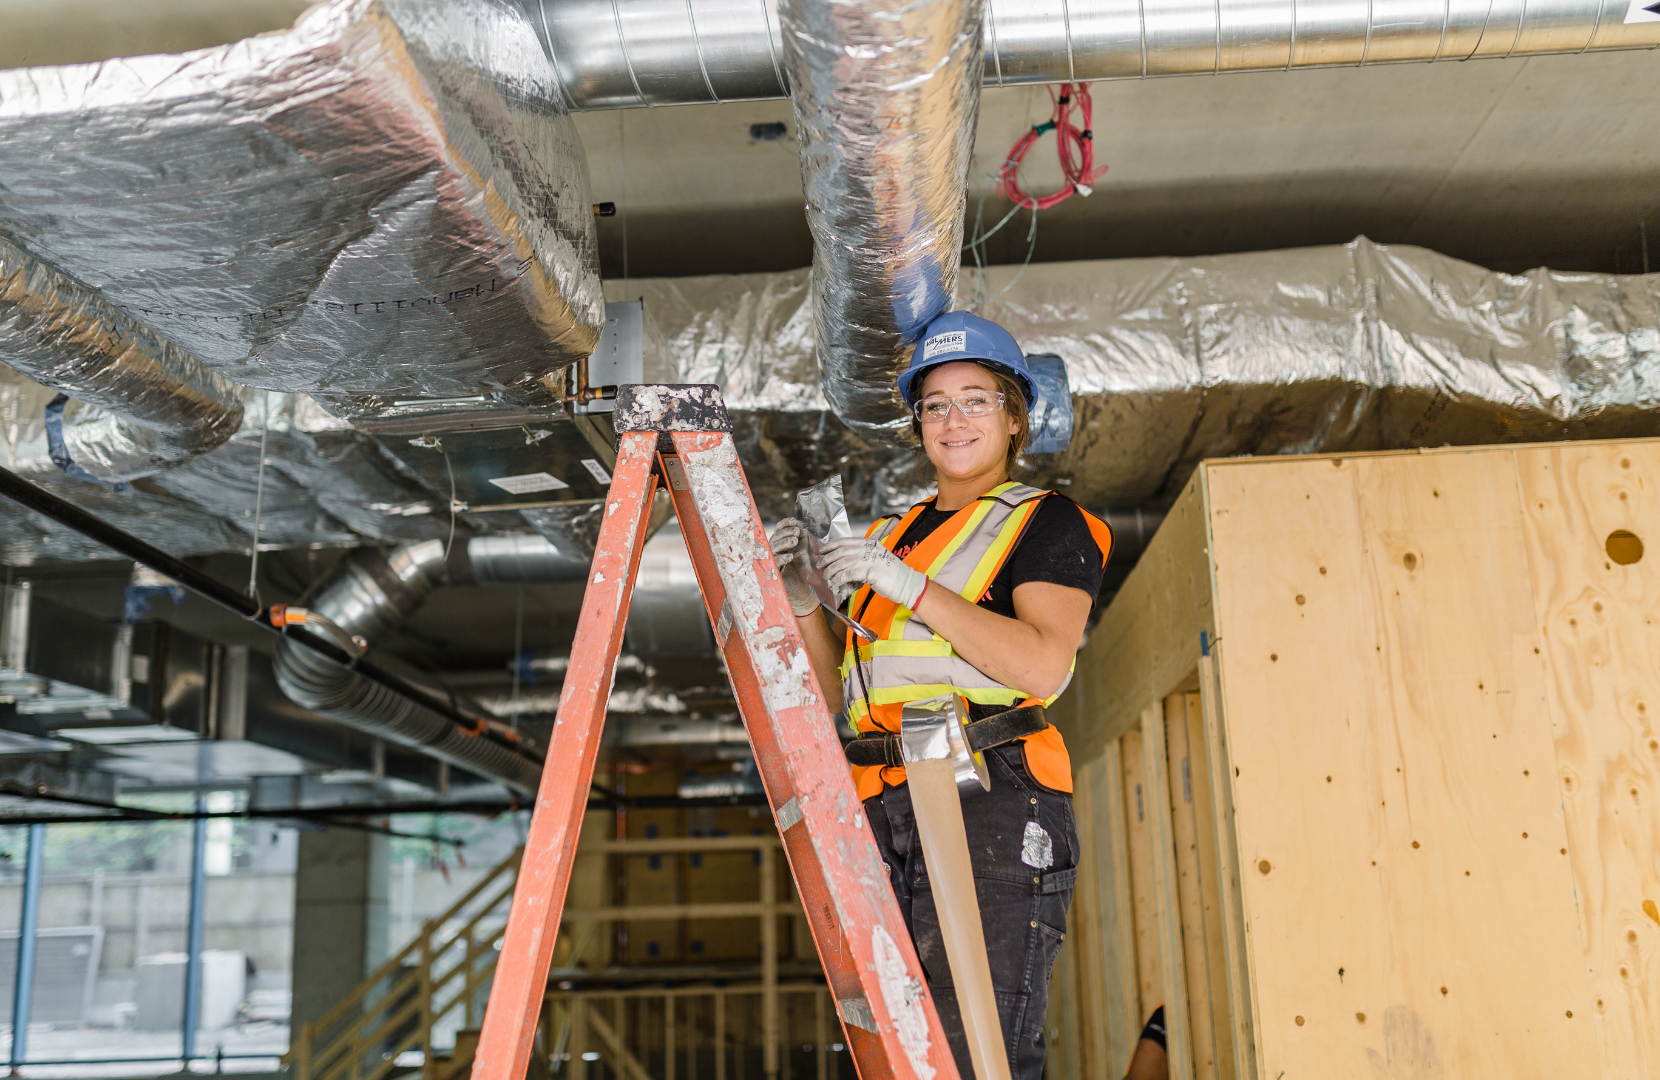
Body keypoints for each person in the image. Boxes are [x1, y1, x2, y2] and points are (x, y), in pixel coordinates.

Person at [768, 310, 1113, 1080]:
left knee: (974, 1052)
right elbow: (843, 688)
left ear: (1014, 415)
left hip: (986, 791)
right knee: (900, 1055)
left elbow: (1043, 669)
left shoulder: (1046, 521)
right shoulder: (889, 534)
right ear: (917, 422)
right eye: (935, 404)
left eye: (975, 399)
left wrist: (913, 589)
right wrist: (797, 596)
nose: (953, 419)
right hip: (881, 793)